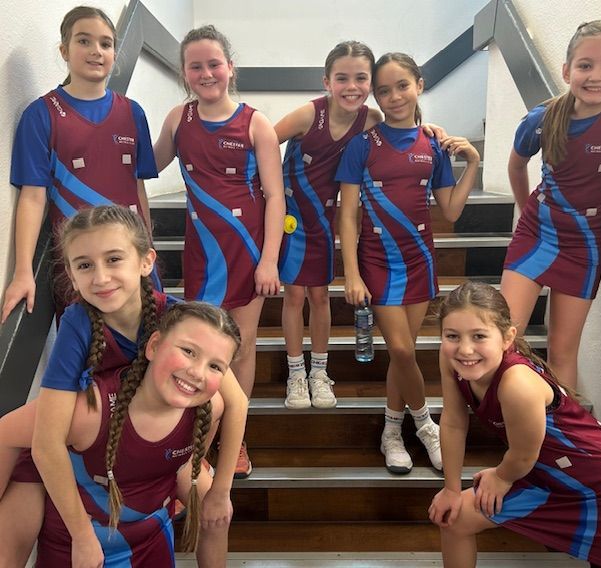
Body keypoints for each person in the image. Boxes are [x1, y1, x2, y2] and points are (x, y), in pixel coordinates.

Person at [0, 205, 248, 567]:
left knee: (216, 500)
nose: (101, 278)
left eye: (113, 259)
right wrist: (82, 537)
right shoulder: (78, 324)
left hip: (144, 436)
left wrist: (220, 490)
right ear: (71, 274)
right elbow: (45, 441)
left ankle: (177, 472)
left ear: (146, 262)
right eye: (85, 265)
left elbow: (236, 401)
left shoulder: (176, 318)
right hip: (82, 436)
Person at [336, 52, 480, 474]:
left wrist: (472, 162)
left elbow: (451, 210)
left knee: (405, 356)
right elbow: (348, 214)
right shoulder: (362, 146)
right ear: (376, 97)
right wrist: (351, 273)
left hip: (420, 261)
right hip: (377, 263)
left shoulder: (433, 145)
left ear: (419, 85)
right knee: (400, 349)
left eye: (402, 86)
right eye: (384, 90)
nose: (395, 96)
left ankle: (391, 432)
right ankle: (425, 424)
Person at [429, 281, 601, 568]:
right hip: (544, 473)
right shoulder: (451, 359)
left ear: (507, 338)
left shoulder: (517, 383)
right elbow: (454, 422)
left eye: (479, 336)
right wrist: (452, 489)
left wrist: (502, 476)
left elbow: (523, 455)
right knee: (455, 518)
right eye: (452, 335)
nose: (465, 349)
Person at [154, 24, 285, 478]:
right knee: (200, 347)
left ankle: (234, 437)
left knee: (241, 348)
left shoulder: (256, 124)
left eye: (214, 64)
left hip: (248, 253)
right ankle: (195, 430)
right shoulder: (178, 120)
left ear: (230, 67)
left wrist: (269, 260)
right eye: (196, 66)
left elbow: (275, 196)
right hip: (202, 255)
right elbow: (147, 163)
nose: (206, 73)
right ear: (184, 73)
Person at [501, 20, 601, 390]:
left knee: (562, 352)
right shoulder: (542, 118)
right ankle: (513, 419)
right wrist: (524, 211)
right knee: (503, 340)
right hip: (536, 234)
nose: (597, 76)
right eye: (585, 65)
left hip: (586, 244)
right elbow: (516, 165)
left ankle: (560, 427)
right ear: (567, 71)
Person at [2, 6, 161, 323]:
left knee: (148, 343)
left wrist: (148, 248)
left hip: (131, 259)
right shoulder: (41, 115)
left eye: (105, 43)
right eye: (84, 41)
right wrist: (22, 272)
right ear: (64, 50)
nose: (96, 51)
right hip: (82, 267)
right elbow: (32, 198)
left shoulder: (133, 112)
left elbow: (137, 188)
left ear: (114, 53)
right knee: (87, 348)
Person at [274, 41, 382, 410]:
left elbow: (404, 127)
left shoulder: (371, 119)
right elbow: (263, 141)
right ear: (327, 81)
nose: (352, 86)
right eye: (342, 78)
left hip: (326, 220)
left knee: (320, 297)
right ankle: (296, 373)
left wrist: (428, 128)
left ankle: (319, 372)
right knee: (294, 297)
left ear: (371, 82)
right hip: (292, 220)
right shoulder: (308, 115)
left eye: (361, 78)